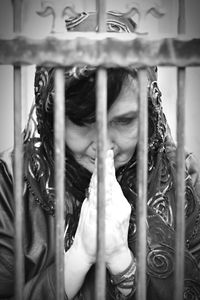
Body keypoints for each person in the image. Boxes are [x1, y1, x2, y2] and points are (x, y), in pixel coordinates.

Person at [1, 11, 200, 300]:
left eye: (124, 121)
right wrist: (78, 257)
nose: (106, 144)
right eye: (83, 123)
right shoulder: (10, 180)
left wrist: (121, 260)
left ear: (148, 115)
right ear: (52, 117)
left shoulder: (181, 178)